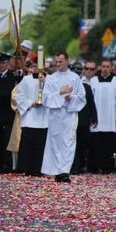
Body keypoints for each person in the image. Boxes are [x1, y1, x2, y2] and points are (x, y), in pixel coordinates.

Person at [41, 51, 86, 182]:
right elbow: (46, 98)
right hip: (55, 114)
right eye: (57, 62)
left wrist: (70, 97)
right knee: (55, 142)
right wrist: (61, 92)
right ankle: (57, 170)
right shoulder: (51, 78)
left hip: (69, 113)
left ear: (67, 61)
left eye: (61, 61)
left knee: (68, 141)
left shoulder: (75, 78)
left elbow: (82, 97)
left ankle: (65, 171)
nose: (58, 64)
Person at [88, 59, 116, 174]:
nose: (105, 69)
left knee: (109, 143)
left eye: (108, 67)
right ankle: (94, 166)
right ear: (101, 67)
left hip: (111, 116)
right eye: (103, 66)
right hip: (97, 116)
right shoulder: (94, 80)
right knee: (96, 142)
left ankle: (107, 167)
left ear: (111, 68)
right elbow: (91, 100)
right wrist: (92, 116)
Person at [16, 61, 48, 176]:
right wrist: (31, 103)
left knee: (41, 144)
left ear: (43, 66)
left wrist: (43, 101)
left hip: (44, 117)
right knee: (28, 144)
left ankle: (39, 169)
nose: (36, 68)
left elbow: (53, 94)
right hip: (30, 116)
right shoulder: (26, 79)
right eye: (34, 66)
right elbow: (19, 95)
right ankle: (27, 167)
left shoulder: (49, 79)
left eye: (38, 66)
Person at [0, 53, 19, 173]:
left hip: (8, 112)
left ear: (7, 63)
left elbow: (7, 93)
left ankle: (7, 164)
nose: (1, 65)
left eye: (3, 63)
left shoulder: (11, 77)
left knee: (7, 139)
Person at [71, 62, 98, 174]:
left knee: (81, 145)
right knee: (71, 144)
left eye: (79, 69)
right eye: (75, 69)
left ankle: (80, 165)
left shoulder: (86, 87)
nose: (77, 71)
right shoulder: (69, 86)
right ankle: (72, 166)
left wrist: (94, 118)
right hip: (71, 119)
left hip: (83, 120)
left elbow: (91, 103)